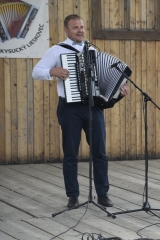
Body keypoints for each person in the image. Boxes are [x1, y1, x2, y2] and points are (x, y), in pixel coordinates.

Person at [32, 14, 130, 208]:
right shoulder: (57, 50)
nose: (80, 30)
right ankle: (73, 196)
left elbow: (102, 80)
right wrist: (52, 72)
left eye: (82, 27)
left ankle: (102, 194)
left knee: (100, 153)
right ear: (67, 30)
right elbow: (36, 71)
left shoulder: (92, 50)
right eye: (75, 27)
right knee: (70, 153)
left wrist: (119, 90)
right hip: (69, 108)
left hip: (93, 107)